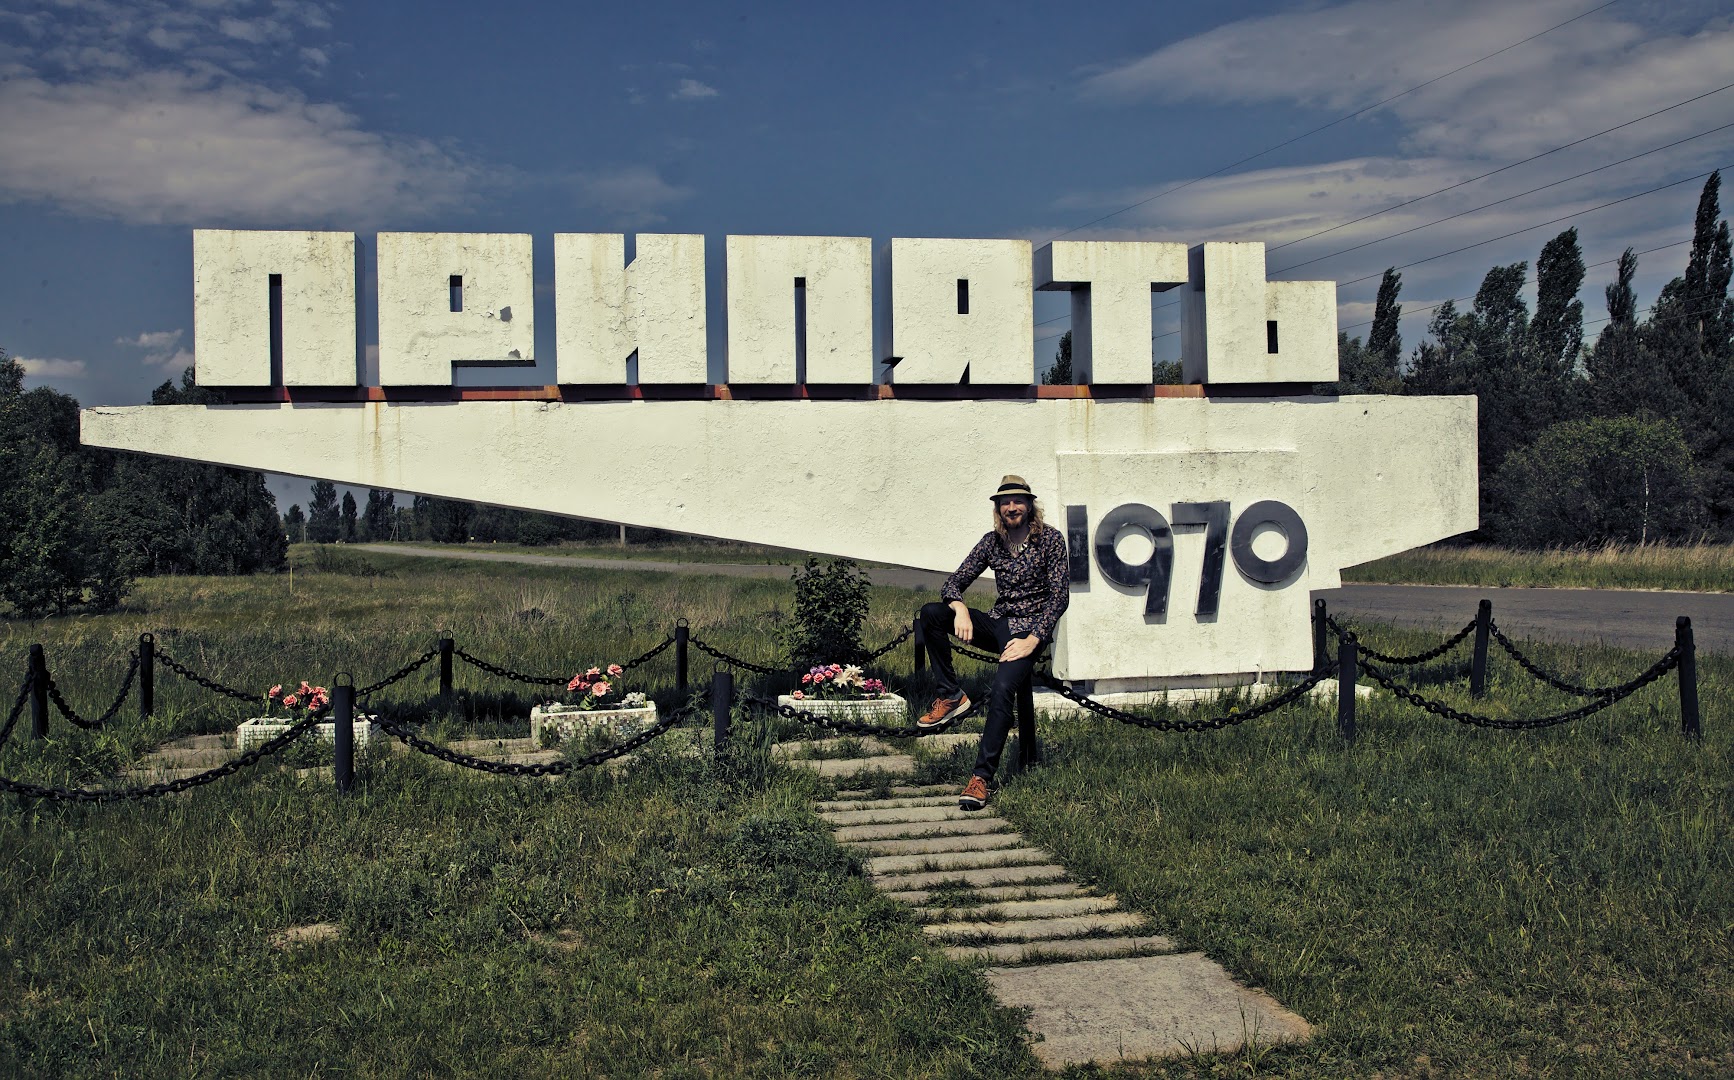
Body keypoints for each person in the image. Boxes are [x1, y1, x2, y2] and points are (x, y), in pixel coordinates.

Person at [917, 474, 1069, 811]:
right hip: (999, 622)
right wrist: (959, 609)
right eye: (1005, 502)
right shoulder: (992, 542)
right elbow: (954, 582)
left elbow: (1059, 598)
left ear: (1030, 505)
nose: (1012, 507)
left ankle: (981, 778)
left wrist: (1034, 640)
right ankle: (951, 695)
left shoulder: (1051, 541)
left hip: (1029, 630)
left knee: (1002, 689)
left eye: (1018, 501)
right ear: (998, 508)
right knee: (931, 613)